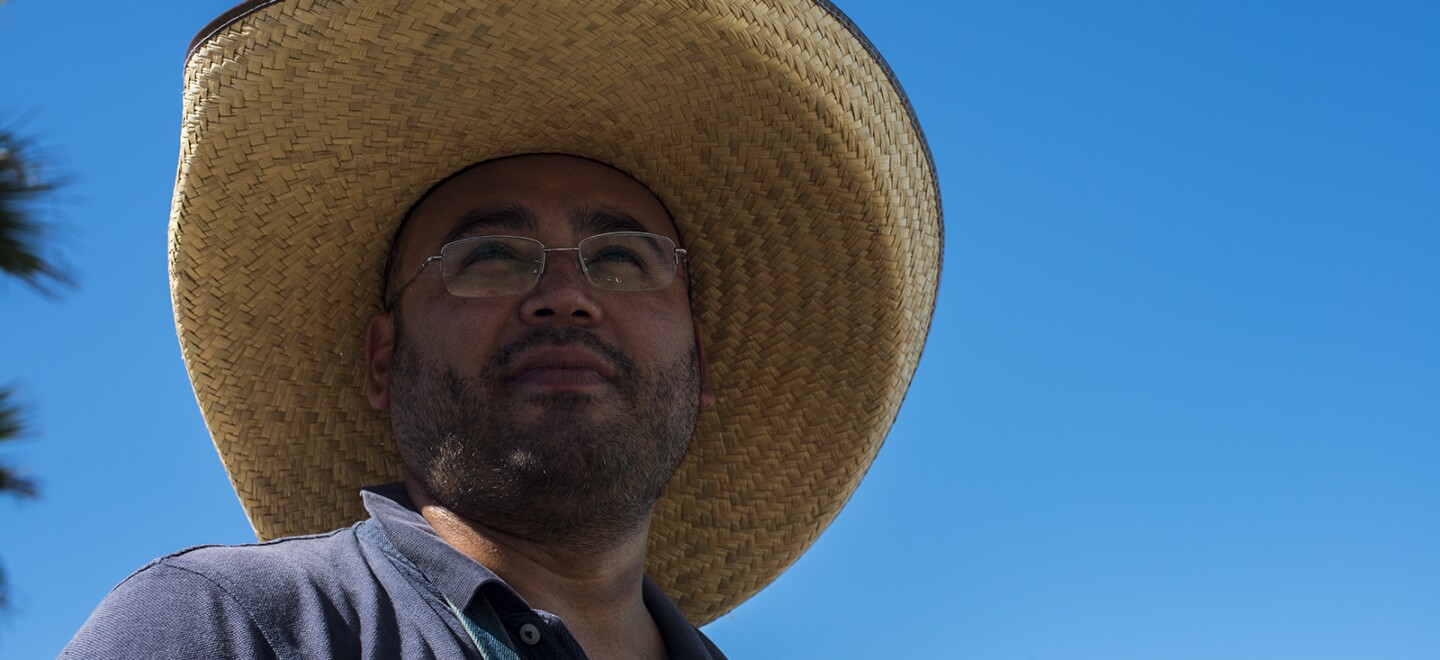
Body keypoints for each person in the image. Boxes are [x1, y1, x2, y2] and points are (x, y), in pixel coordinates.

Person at [64, 0, 941, 658]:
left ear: (701, 361)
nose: (565, 294)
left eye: (624, 259)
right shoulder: (230, 628)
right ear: (382, 358)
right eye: (488, 256)